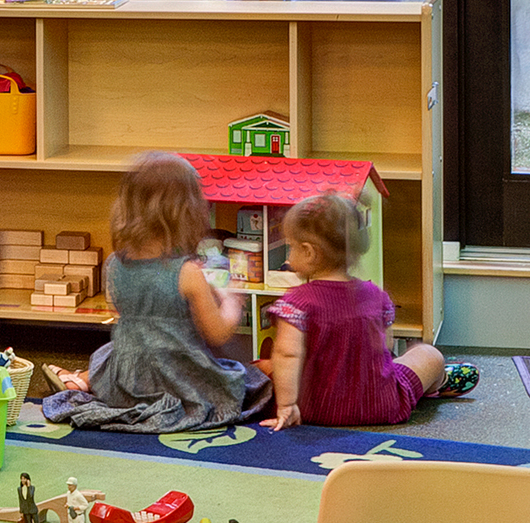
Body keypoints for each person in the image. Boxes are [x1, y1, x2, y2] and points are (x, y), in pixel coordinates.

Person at [34, 153, 273, 432]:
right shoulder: (187, 273)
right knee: (257, 379)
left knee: (113, 351)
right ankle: (84, 379)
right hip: (179, 381)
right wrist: (232, 302)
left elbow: (128, 314)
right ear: (188, 213)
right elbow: (217, 333)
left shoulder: (114, 264)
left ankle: (83, 380)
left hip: (125, 382)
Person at [267, 191, 477, 427]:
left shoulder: (296, 302)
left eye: (291, 248)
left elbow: (287, 354)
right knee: (428, 355)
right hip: (381, 404)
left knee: (267, 364)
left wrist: (286, 405)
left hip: (314, 410)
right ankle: (440, 382)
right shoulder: (377, 296)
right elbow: (385, 347)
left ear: (309, 252)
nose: (289, 255)